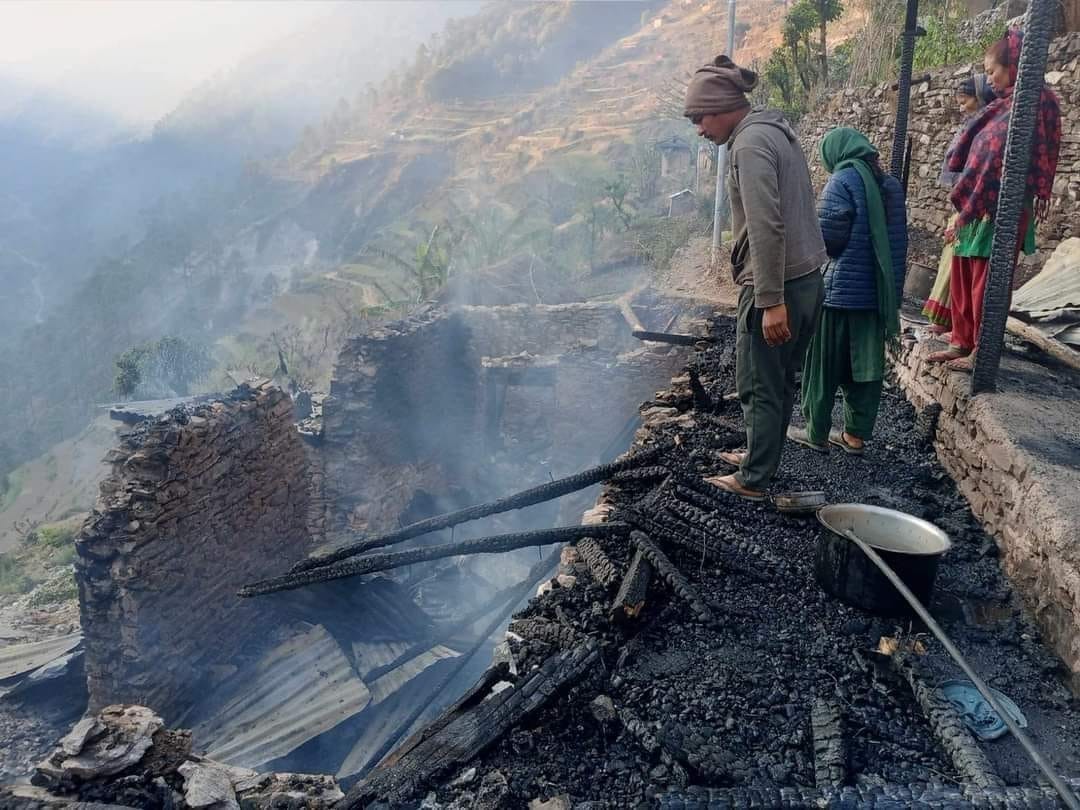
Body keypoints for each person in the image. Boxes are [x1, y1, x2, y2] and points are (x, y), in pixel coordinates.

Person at [683, 55, 827, 500]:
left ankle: (753, 479)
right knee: (779, 381)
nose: (700, 130)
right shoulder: (774, 129)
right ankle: (760, 454)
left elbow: (767, 225)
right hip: (807, 279)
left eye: (699, 118)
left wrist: (769, 300)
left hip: (778, 284)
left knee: (758, 382)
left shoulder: (748, 144)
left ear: (722, 106)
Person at [927, 27, 1061, 371]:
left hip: (1000, 205)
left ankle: (981, 353)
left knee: (987, 279)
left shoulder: (1034, 101)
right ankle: (962, 341)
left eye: (992, 71)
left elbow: (999, 155)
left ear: (1013, 64)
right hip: (977, 204)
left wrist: (967, 208)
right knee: (963, 269)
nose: (990, 80)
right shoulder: (1005, 104)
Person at [786, 128, 907, 456]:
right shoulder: (891, 186)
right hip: (876, 297)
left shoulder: (841, 181)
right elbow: (897, 243)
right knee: (865, 369)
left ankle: (816, 432)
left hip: (840, 294)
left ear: (836, 152)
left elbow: (830, 240)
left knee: (823, 367)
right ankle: (855, 435)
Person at [922, 74, 996, 334]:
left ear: (981, 99)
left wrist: (964, 211)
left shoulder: (987, 130)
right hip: (965, 206)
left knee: (962, 266)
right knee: (952, 262)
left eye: (965, 102)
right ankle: (949, 323)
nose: (961, 108)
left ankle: (958, 326)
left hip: (976, 208)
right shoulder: (975, 128)